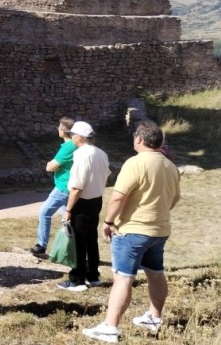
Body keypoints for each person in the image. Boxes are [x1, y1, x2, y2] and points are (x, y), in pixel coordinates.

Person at [83, 120, 181, 343]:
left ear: (139, 139)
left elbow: (119, 196)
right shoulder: (170, 165)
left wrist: (108, 221)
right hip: (159, 230)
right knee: (155, 273)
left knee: (123, 278)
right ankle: (154, 317)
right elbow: (174, 198)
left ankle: (110, 327)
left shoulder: (135, 163)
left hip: (132, 230)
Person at [59, 121, 110, 292]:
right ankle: (92, 275)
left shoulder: (82, 155)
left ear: (79, 137)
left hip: (82, 201)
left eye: (73, 134)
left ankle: (77, 279)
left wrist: (68, 210)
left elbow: (76, 187)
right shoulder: (101, 153)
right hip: (96, 199)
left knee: (78, 240)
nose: (71, 136)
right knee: (90, 238)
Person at [29, 117, 76, 257]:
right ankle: (71, 250)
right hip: (71, 186)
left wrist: (52, 165)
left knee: (44, 213)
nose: (57, 129)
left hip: (63, 187)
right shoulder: (77, 145)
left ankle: (41, 246)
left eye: (59, 127)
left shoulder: (68, 147)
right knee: (67, 219)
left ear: (63, 131)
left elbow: (50, 167)